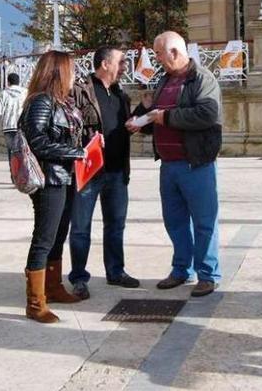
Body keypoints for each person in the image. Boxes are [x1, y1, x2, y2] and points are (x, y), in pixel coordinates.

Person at [128, 31, 223, 298]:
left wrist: (165, 117)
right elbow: (159, 117)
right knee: (175, 221)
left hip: (196, 164)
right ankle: (182, 269)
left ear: (173, 51)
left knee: (204, 222)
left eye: (158, 53)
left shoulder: (202, 78)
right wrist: (141, 121)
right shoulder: (164, 80)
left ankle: (208, 274)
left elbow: (207, 113)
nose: (156, 58)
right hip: (169, 165)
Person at [68, 47, 140, 300]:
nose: (124, 67)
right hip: (89, 171)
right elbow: (70, 126)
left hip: (118, 170)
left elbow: (122, 126)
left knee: (115, 225)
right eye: (121, 62)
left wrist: (139, 119)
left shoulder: (121, 94)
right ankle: (78, 278)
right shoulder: (80, 90)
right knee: (80, 227)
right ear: (106, 63)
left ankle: (115, 272)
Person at [21, 50, 86, 323]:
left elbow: (69, 137)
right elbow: (38, 143)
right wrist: (77, 153)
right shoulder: (41, 102)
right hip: (49, 179)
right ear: (58, 71)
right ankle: (35, 303)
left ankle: (54, 286)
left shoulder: (64, 102)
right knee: (44, 238)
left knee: (59, 235)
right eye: (71, 69)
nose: (75, 75)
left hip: (67, 177)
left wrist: (89, 147)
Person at [0, 72, 27, 159]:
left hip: (8, 127)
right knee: (22, 152)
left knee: (11, 153)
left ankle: (13, 171)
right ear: (19, 82)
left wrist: (1, 123)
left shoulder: (4, 93)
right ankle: (22, 171)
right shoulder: (25, 93)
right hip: (22, 127)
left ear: (8, 82)